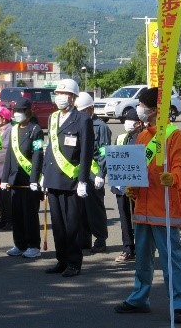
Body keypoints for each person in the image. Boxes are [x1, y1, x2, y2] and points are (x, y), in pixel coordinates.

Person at [114, 87, 181, 324]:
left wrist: (174, 177)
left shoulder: (173, 135)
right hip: (143, 207)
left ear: (154, 109)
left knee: (171, 259)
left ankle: (179, 304)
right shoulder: (143, 135)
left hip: (165, 207)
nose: (138, 109)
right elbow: (137, 169)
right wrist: (131, 187)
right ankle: (139, 298)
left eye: (141, 105)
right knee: (142, 259)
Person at [35, 78, 93, 277]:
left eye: (65, 94)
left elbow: (86, 153)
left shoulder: (83, 120)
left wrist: (83, 180)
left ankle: (74, 263)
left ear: (74, 97)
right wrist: (43, 174)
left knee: (72, 225)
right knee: (58, 225)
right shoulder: (52, 118)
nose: (60, 97)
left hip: (71, 181)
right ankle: (61, 260)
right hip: (53, 178)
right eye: (58, 94)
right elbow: (49, 148)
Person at [0, 97, 44, 259]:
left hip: (29, 181)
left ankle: (33, 245)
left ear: (28, 112)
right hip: (15, 180)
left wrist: (34, 179)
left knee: (30, 215)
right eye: (15, 111)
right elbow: (10, 156)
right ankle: (19, 244)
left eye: (20, 111)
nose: (17, 114)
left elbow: (38, 155)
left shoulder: (36, 130)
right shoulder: (13, 130)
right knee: (16, 214)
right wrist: (5, 178)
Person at [74, 91, 111, 254]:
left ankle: (100, 239)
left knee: (94, 208)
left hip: (94, 173)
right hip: (78, 172)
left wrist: (101, 174)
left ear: (90, 109)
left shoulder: (100, 126)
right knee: (80, 208)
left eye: (83, 111)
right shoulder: (76, 122)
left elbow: (104, 151)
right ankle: (83, 239)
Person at [111, 108, 142, 263]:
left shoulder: (143, 137)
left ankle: (142, 248)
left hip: (137, 185)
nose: (127, 123)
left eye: (130, 120)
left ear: (139, 123)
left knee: (139, 218)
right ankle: (128, 248)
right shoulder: (121, 137)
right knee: (124, 218)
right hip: (120, 184)